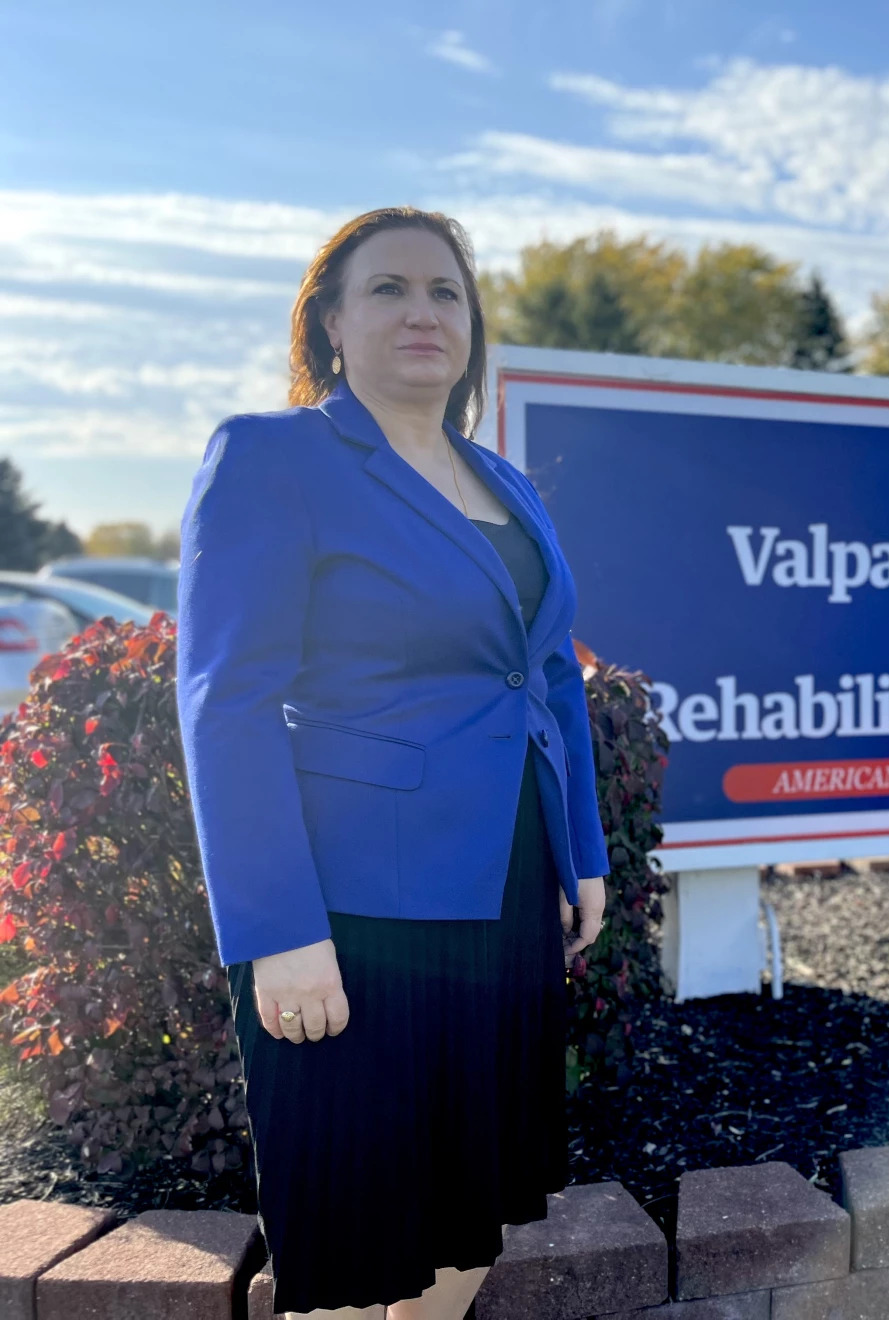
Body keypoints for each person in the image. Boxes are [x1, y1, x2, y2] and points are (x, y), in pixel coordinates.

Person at [175, 206, 611, 1320]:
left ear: (471, 328)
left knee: (479, 1196)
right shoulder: (273, 459)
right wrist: (278, 933)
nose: (423, 311)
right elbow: (226, 702)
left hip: (504, 896)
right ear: (327, 322)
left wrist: (583, 852)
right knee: (352, 1229)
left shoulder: (505, 485)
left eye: (445, 292)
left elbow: (549, 675)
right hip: (355, 914)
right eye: (388, 289)